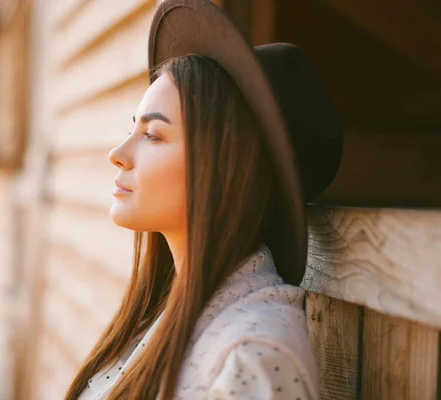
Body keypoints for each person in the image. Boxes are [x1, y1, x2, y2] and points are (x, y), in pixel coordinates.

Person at [66, 0, 343, 398]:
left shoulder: (253, 357)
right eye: (134, 129)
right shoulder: (162, 310)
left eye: (153, 135)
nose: (118, 153)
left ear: (225, 164)